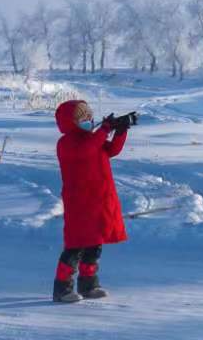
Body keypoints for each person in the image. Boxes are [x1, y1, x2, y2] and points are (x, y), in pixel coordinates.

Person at [51, 98, 137, 303]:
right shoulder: (67, 143)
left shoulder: (92, 139)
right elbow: (85, 151)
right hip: (80, 202)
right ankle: (62, 289)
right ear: (71, 121)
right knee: (75, 247)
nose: (89, 120)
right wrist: (104, 129)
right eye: (83, 117)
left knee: (94, 244)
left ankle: (89, 284)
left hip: (99, 200)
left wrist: (120, 131)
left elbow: (112, 150)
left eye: (90, 116)